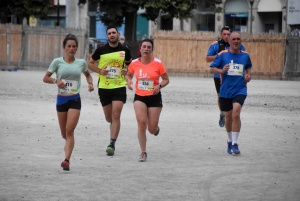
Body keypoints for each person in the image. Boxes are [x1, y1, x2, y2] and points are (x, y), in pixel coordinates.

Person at [43, 34, 94, 171]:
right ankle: (68, 149)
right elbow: (45, 78)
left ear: (76, 48)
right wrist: (56, 81)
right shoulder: (57, 62)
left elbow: (88, 74)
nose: (72, 49)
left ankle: (67, 160)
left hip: (74, 99)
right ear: (64, 48)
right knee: (64, 134)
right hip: (61, 99)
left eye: (74, 46)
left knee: (70, 130)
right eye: (69, 46)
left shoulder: (81, 63)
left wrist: (90, 83)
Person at [88, 26, 132, 156]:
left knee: (116, 114)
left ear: (118, 35)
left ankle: (112, 143)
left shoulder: (125, 50)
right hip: (104, 87)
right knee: (109, 118)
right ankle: (112, 124)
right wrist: (100, 71)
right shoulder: (101, 50)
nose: (112, 35)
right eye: (109, 33)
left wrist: (127, 70)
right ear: (107, 37)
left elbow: (130, 65)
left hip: (119, 86)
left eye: (114, 33)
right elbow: (90, 63)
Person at [126, 38, 170, 162]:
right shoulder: (134, 63)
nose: (146, 49)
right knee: (141, 124)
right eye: (144, 47)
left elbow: (166, 79)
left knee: (151, 129)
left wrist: (159, 86)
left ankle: (155, 129)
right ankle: (143, 152)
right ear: (140, 49)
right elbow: (128, 75)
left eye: (148, 47)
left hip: (154, 97)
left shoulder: (158, 63)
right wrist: (129, 81)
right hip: (139, 97)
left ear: (152, 50)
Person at [210, 32, 252, 155]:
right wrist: (222, 70)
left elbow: (248, 67)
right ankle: (229, 140)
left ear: (241, 41)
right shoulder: (222, 55)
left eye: (238, 39)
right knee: (228, 118)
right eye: (233, 39)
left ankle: (235, 143)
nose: (236, 41)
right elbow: (212, 69)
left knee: (236, 113)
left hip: (240, 89)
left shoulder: (245, 56)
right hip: (225, 91)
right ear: (229, 41)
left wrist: (248, 76)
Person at [206, 26, 245, 128]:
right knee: (221, 96)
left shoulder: (237, 44)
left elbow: (244, 55)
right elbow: (207, 58)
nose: (226, 36)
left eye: (228, 34)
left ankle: (231, 113)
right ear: (221, 34)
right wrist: (221, 56)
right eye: (224, 34)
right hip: (218, 74)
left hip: (233, 75)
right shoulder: (215, 45)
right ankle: (222, 113)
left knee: (233, 95)